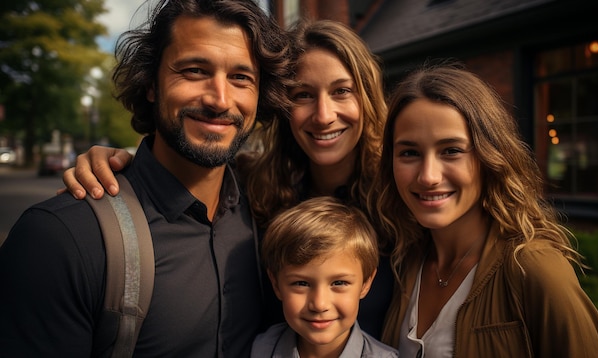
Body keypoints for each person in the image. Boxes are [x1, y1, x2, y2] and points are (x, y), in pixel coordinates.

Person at [61, 19, 394, 339]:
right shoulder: (258, 187)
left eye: (341, 91)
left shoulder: (399, 198)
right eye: (303, 95)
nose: (323, 115)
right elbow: (187, 161)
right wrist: (126, 162)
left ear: (366, 97)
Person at [0, 0, 291, 356]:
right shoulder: (60, 239)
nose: (220, 99)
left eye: (241, 78)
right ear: (151, 84)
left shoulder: (270, 213)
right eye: (195, 70)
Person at [369, 61, 598, 357]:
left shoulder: (534, 268)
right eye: (409, 152)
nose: (428, 176)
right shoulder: (402, 260)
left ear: (490, 156)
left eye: (452, 151)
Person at [252, 196, 398, 358]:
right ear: (276, 284)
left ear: (365, 283)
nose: (320, 304)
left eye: (339, 282)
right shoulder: (258, 350)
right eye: (301, 283)